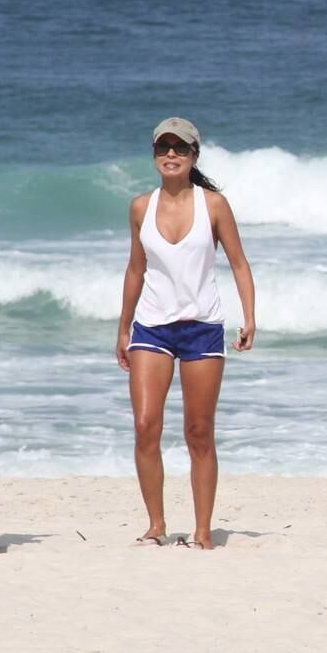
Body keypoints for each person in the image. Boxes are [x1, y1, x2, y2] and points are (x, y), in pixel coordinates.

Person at [116, 117, 256, 550]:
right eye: (163, 148)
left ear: (194, 155)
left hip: (202, 329)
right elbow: (136, 268)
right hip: (152, 328)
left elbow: (238, 262)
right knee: (145, 426)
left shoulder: (213, 204)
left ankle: (201, 532)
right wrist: (123, 327)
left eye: (180, 148)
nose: (171, 155)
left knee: (198, 431)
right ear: (155, 154)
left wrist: (249, 318)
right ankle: (156, 525)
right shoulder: (141, 206)